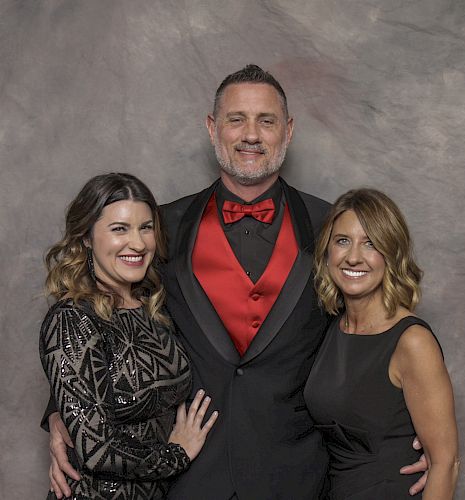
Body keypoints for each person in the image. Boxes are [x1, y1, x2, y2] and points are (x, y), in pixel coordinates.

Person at [44, 66, 429, 499]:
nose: (251, 134)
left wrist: (418, 433)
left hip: (297, 473)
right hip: (189, 474)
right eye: (236, 119)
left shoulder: (331, 227)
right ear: (213, 129)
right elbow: (96, 311)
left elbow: (377, 328)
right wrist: (62, 412)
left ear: (288, 131)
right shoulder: (159, 227)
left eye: (266, 120)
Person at [39, 173, 218, 499]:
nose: (137, 243)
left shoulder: (156, 306)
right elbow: (96, 448)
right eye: (119, 229)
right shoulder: (72, 319)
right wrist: (176, 455)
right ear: (87, 238)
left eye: (145, 228)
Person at [304, 188, 459, 499]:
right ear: (327, 251)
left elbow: (446, 464)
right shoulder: (335, 328)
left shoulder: (412, 342)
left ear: (392, 253)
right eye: (342, 240)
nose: (353, 257)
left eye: (371, 244)